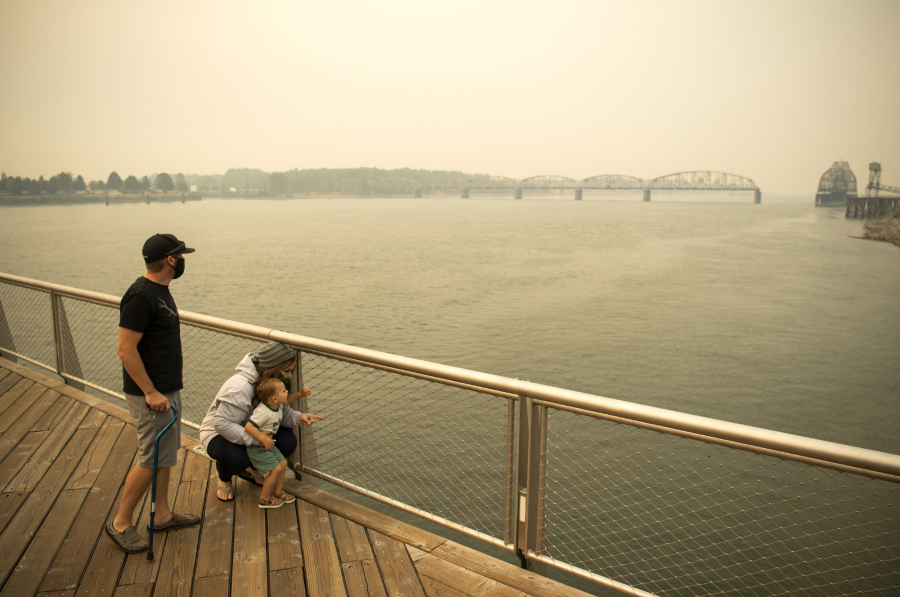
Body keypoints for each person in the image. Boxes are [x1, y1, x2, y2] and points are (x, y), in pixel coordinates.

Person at [106, 233, 201, 554]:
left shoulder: (160, 291)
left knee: (165, 454)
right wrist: (150, 392)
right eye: (181, 255)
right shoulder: (141, 296)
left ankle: (161, 514)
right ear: (171, 260)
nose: (183, 260)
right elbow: (125, 349)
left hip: (165, 390)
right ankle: (120, 522)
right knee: (150, 457)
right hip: (152, 396)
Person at [198, 341, 324, 502]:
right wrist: (258, 440)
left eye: (291, 371)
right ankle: (224, 477)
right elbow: (222, 424)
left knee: (288, 442)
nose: (289, 376)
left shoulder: (271, 382)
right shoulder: (240, 388)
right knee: (235, 458)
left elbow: (276, 412)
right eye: (286, 371)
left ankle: (251, 468)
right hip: (218, 433)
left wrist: (299, 417)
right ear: (272, 368)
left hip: (254, 431)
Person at [244, 379, 296, 508]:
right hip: (258, 447)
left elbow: (288, 400)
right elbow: (249, 427)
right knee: (275, 469)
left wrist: (301, 394)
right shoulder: (262, 412)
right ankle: (264, 498)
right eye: (284, 391)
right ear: (274, 398)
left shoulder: (276, 405)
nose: (287, 392)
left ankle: (277, 491)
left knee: (283, 464)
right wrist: (263, 438)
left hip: (268, 444)